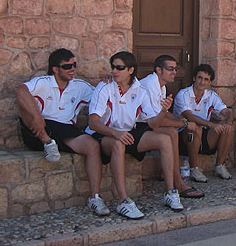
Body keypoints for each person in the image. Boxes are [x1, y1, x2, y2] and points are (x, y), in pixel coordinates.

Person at [87, 51, 183, 219]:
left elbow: (152, 123)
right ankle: (123, 201)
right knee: (118, 143)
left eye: (120, 68)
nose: (115, 71)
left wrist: (163, 111)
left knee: (165, 139)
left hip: (127, 132)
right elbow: (93, 123)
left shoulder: (140, 90)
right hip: (104, 134)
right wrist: (116, 133)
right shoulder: (105, 87)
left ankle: (170, 192)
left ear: (130, 70)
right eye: (114, 67)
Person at [16, 48, 109, 216]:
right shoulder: (43, 82)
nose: (72, 69)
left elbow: (101, 98)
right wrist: (37, 117)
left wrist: (106, 83)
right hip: (39, 128)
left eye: (74, 65)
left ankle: (95, 197)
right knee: (26, 108)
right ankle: (46, 141)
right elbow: (20, 91)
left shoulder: (79, 86)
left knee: (93, 146)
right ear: (55, 69)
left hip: (65, 128)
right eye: (67, 66)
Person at [138, 56, 205, 198]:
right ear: (158, 70)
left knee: (172, 132)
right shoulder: (150, 84)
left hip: (148, 123)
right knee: (172, 133)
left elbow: (163, 113)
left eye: (175, 68)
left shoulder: (160, 85)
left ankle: (170, 175)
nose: (174, 72)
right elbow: (156, 121)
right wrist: (185, 123)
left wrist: (181, 119)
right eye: (170, 69)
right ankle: (178, 183)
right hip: (138, 126)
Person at [174, 64, 235, 181]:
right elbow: (189, 116)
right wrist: (211, 124)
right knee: (195, 127)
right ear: (194, 78)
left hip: (204, 136)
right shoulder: (183, 94)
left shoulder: (211, 96)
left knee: (228, 129)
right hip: (183, 137)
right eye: (199, 78)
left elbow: (227, 111)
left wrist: (228, 121)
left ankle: (219, 166)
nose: (202, 82)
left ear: (210, 82)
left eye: (206, 79)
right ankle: (194, 169)